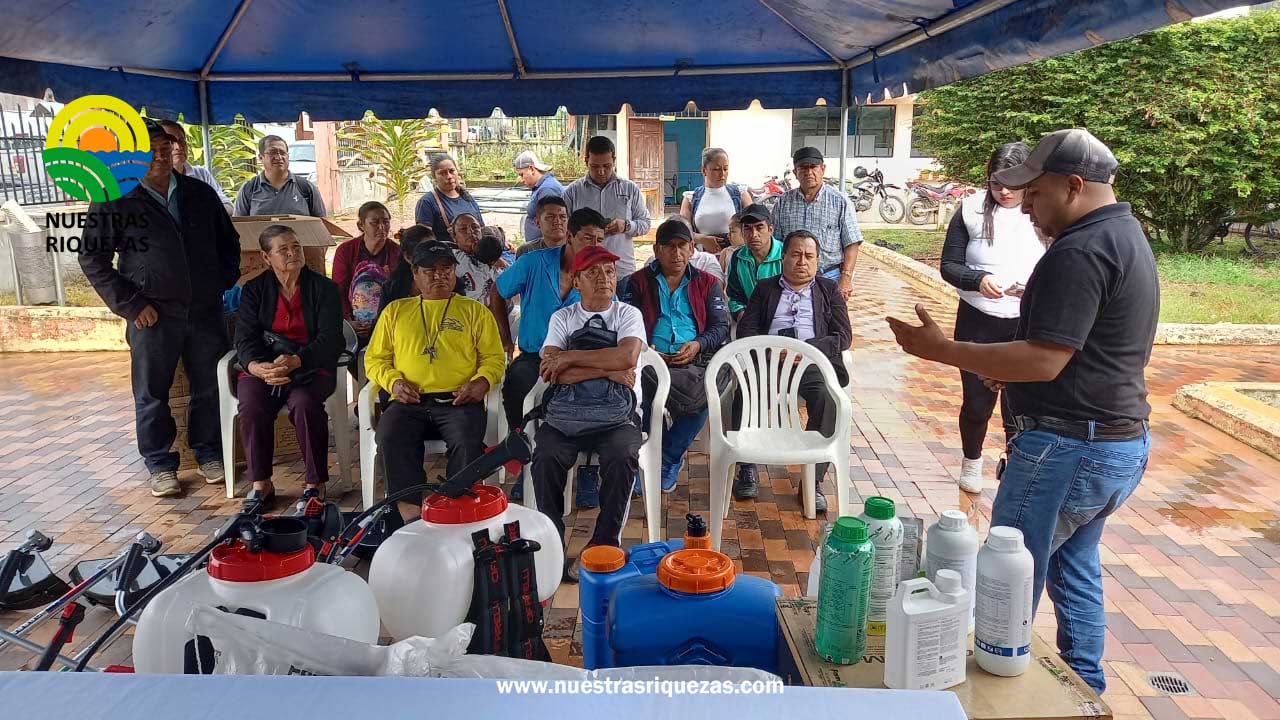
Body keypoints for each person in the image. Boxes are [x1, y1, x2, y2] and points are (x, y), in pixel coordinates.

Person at [886, 128, 1157, 694]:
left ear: (1074, 186)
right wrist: (1006, 368)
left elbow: (1045, 357)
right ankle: (1085, 686)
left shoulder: (1079, 250)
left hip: (1068, 449)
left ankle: (996, 697)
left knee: (1007, 582)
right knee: (1073, 567)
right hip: (1115, 444)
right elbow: (1076, 351)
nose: (1027, 205)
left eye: (1035, 193)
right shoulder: (1125, 235)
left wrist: (945, 351)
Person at [79, 119, 241, 497]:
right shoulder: (113, 198)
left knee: (209, 387)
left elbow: (228, 243)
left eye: (165, 149)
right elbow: (92, 258)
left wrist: (220, 283)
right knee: (152, 392)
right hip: (152, 315)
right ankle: (159, 463)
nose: (160, 157)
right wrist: (132, 305)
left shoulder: (199, 193)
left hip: (204, 311)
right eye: (150, 151)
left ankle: (208, 452)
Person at [365, 242, 507, 522]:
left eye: (446, 269)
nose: (439, 276)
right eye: (430, 270)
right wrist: (393, 382)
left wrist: (480, 382)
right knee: (391, 436)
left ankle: (453, 506)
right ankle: (410, 515)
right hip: (409, 400)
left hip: (458, 400)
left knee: (467, 439)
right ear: (415, 275)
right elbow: (374, 360)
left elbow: (494, 358)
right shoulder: (396, 311)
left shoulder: (474, 310)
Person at [532, 245, 646, 579]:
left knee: (624, 454)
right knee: (546, 455)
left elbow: (627, 358)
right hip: (568, 411)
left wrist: (569, 357)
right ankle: (552, 541)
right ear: (576, 280)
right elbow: (551, 371)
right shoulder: (562, 318)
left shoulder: (628, 315)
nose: (604, 279)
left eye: (610, 271)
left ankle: (603, 544)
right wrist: (605, 369)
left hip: (617, 413)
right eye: (593, 272)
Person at [939, 143, 1046, 494]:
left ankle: (1016, 464)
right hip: (978, 319)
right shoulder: (970, 210)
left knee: (1019, 402)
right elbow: (949, 265)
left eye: (1012, 185)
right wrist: (978, 280)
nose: (1003, 192)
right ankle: (972, 462)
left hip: (1024, 322)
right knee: (976, 400)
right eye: (995, 183)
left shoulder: (1041, 211)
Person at [491, 208, 606, 504]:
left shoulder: (601, 271)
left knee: (596, 397)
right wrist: (505, 337)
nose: (594, 246)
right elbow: (498, 291)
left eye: (600, 239)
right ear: (569, 237)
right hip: (535, 355)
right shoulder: (533, 262)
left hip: (581, 357)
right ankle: (527, 462)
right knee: (516, 384)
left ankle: (589, 471)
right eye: (587, 238)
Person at [735, 231, 852, 511]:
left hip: (811, 364)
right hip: (771, 363)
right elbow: (746, 330)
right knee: (745, 388)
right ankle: (746, 465)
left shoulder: (827, 289)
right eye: (796, 254)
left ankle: (813, 479)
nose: (802, 261)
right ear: (784, 257)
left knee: (828, 398)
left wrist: (808, 349)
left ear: (817, 260)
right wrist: (771, 350)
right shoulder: (765, 289)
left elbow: (843, 336)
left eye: (809, 256)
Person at [234, 225, 343, 509]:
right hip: (266, 366)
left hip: (310, 366)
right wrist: (258, 367)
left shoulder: (325, 288)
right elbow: (244, 337)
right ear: (266, 257)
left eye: (296, 246)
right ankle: (261, 483)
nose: (293, 253)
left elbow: (331, 339)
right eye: (283, 249)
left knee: (304, 403)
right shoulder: (254, 290)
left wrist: (298, 360)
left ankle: (314, 483)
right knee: (252, 403)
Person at [623, 218, 730, 492]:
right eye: (669, 247)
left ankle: (667, 458)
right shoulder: (637, 282)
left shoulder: (706, 283)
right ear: (657, 250)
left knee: (709, 392)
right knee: (642, 391)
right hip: (650, 359)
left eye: (682, 246)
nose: (676, 253)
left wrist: (697, 343)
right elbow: (627, 323)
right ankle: (646, 456)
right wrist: (647, 348)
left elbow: (720, 326)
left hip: (693, 359)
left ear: (692, 249)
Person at [771, 146, 863, 300]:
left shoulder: (840, 201)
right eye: (803, 168)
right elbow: (776, 243)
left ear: (823, 169)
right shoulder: (783, 202)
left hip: (829, 276)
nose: (808, 172)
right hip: (792, 279)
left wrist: (846, 278)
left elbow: (851, 243)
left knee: (832, 322)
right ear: (795, 173)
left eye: (813, 167)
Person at [562, 136, 652, 285]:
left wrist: (626, 226)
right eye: (595, 167)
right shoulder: (573, 192)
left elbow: (645, 223)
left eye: (607, 166)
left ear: (614, 160)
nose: (601, 171)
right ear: (586, 161)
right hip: (584, 272)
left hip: (622, 272)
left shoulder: (629, 189)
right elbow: (564, 230)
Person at [332, 201, 401, 339]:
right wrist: (348, 321)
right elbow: (339, 290)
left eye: (386, 222)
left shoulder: (397, 252)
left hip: (387, 321)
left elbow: (399, 292)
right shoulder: (346, 251)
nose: (382, 227)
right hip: (353, 321)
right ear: (361, 225)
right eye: (374, 222)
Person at [679, 148, 753, 254]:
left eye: (726, 169)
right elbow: (682, 231)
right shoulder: (691, 199)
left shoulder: (740, 194)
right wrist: (702, 239)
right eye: (716, 169)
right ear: (704, 170)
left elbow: (754, 224)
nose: (722, 174)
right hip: (703, 259)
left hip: (737, 257)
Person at [234, 135, 326, 217]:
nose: (278, 157)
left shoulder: (306, 188)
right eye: (272, 152)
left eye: (282, 153)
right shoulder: (249, 189)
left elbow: (322, 224)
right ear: (261, 157)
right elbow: (239, 227)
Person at [725, 203, 784, 320]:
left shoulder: (785, 254)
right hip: (750, 318)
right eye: (747, 228)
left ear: (771, 230)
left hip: (782, 319)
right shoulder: (737, 257)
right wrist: (743, 316)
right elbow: (734, 297)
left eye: (759, 227)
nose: (753, 234)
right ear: (742, 232)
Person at [159, 120, 232, 213]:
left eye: (182, 141)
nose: (178, 147)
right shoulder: (152, 181)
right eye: (170, 142)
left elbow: (227, 205)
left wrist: (209, 215)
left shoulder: (201, 174)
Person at [414, 153, 484, 245]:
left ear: (457, 172)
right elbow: (424, 241)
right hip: (447, 256)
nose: (449, 176)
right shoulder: (427, 202)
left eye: (451, 171)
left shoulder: (468, 198)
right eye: (442, 173)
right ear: (434, 177)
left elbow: (482, 228)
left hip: (476, 254)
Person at [449, 212, 503, 305]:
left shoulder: (493, 257)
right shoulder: (450, 259)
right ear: (454, 237)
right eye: (463, 229)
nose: (471, 232)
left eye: (475, 227)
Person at [515, 150, 564, 243]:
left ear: (531, 169)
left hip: (544, 250)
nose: (521, 180)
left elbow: (552, 225)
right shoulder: (541, 187)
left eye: (522, 174)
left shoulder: (547, 190)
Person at [381, 225, 435, 309]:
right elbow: (382, 319)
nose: (432, 255)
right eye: (424, 251)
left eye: (434, 248)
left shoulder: (449, 281)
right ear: (408, 257)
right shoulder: (393, 287)